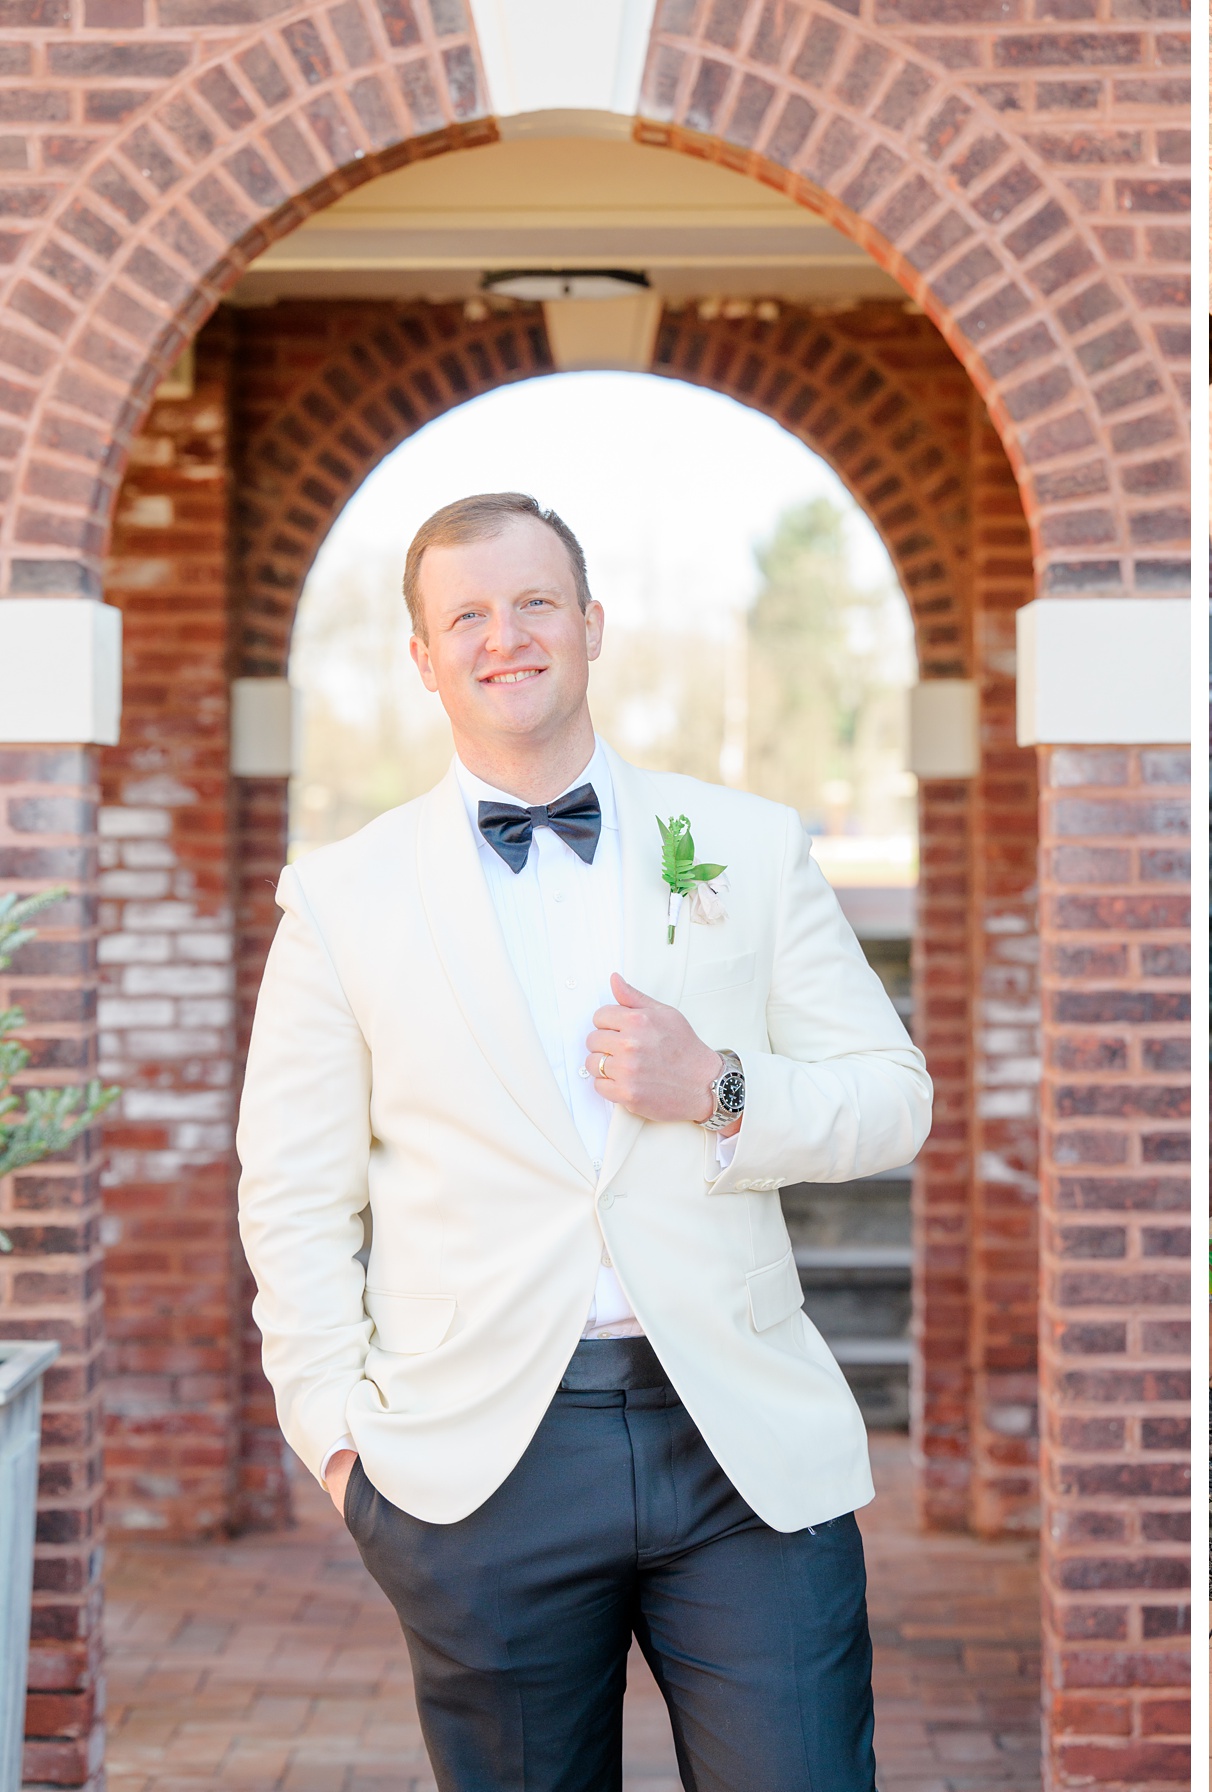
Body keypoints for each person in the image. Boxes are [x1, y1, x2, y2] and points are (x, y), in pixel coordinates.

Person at [236, 491, 931, 1789]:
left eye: (537, 601)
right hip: (483, 1465)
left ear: (594, 624)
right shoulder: (343, 899)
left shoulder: (744, 844)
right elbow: (292, 1196)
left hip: (736, 1445)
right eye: (469, 615)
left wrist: (718, 1084)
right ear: (423, 656)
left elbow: (893, 1097)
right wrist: (339, 1444)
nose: (508, 636)